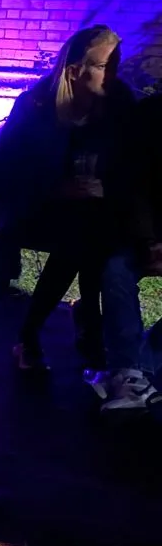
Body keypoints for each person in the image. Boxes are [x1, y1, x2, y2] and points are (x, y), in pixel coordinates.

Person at [0, 26, 134, 374]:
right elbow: (3, 177)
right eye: (102, 66)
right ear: (73, 69)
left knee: (88, 236)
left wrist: (106, 188)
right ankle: (80, 334)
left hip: (93, 214)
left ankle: (40, 334)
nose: (112, 75)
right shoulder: (36, 107)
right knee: (82, 239)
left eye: (115, 65)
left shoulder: (119, 104)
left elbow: (130, 165)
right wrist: (55, 188)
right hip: (32, 208)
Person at [93, 93, 162, 411]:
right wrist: (149, 240)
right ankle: (130, 373)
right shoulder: (151, 114)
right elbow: (136, 185)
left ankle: (145, 361)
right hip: (149, 232)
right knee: (117, 269)